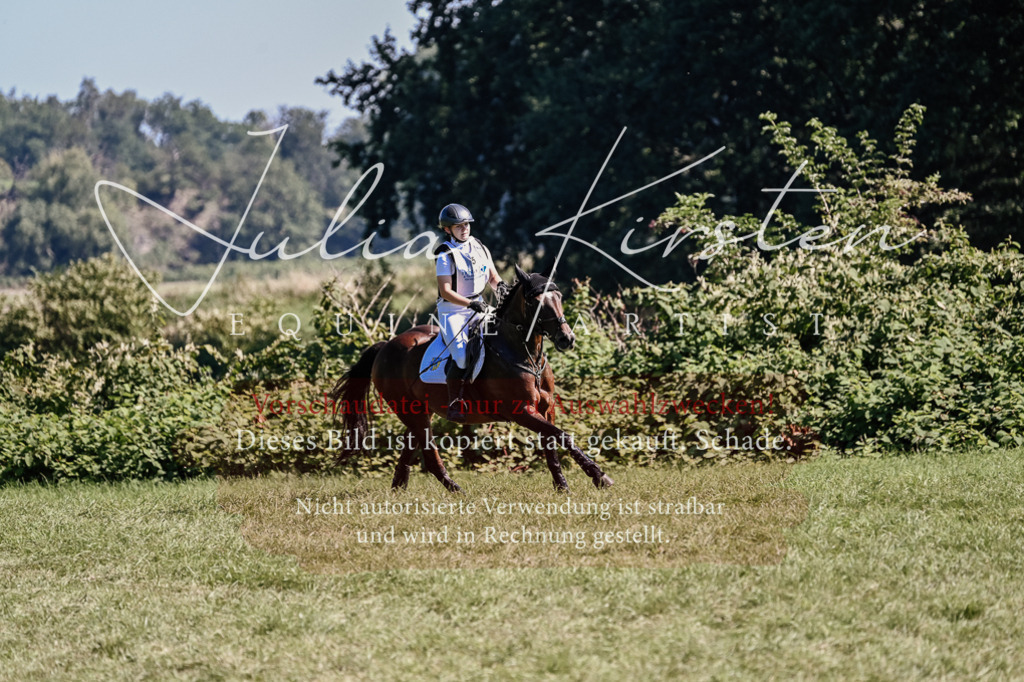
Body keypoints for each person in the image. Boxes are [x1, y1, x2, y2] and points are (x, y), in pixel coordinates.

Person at [434, 203, 502, 422]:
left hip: (479, 304)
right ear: (448, 229)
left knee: (504, 335)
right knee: (462, 355)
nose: (464, 229)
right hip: (452, 310)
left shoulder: (480, 246)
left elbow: (493, 277)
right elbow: (445, 291)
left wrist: (502, 290)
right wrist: (469, 304)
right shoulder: (445, 254)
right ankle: (454, 403)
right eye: (458, 226)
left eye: (466, 225)